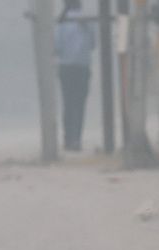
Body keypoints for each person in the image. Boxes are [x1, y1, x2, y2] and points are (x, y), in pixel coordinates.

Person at [55, 0, 96, 151]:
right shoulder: (87, 20)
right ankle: (76, 140)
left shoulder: (61, 21)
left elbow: (57, 47)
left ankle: (68, 139)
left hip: (66, 68)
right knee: (80, 105)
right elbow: (93, 44)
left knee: (68, 104)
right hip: (82, 68)